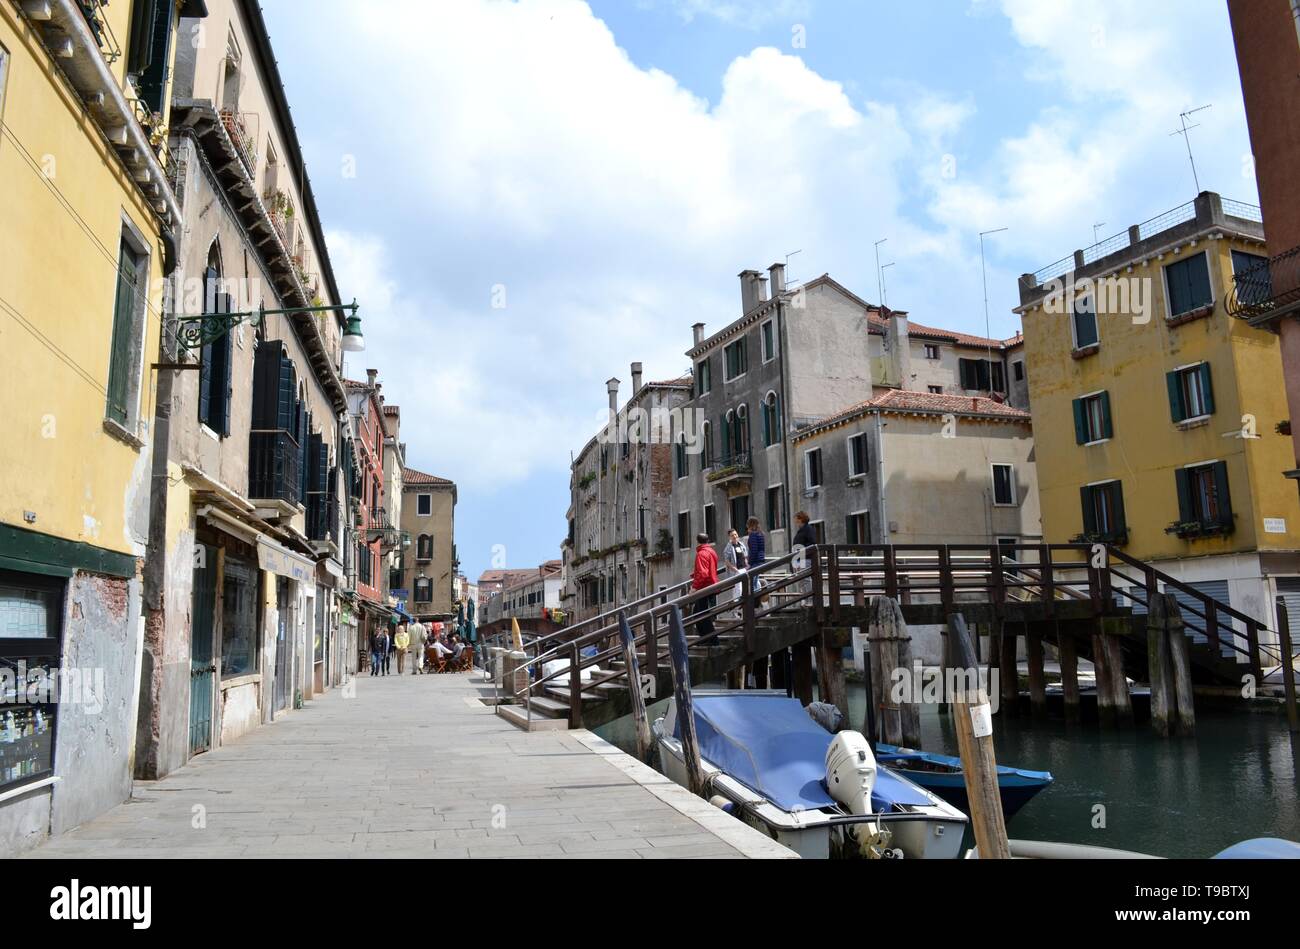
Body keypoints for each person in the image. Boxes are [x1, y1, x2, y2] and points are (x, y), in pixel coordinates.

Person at [691, 532, 719, 639]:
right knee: (698, 613)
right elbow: (709, 569)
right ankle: (704, 638)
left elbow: (703, 573)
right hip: (711, 585)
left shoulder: (701, 553)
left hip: (704, 587)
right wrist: (694, 574)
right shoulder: (712, 551)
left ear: (697, 542)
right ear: (707, 541)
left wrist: (694, 587)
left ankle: (712, 639)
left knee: (701, 614)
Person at [722, 528, 749, 617]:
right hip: (736, 571)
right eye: (732, 535)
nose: (735, 536)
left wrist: (747, 565)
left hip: (744, 569)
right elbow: (727, 561)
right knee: (738, 591)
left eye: (736, 534)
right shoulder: (728, 547)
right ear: (729, 537)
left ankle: (737, 611)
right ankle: (735, 610)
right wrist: (735, 570)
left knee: (742, 591)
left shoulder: (741, 545)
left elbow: (745, 556)